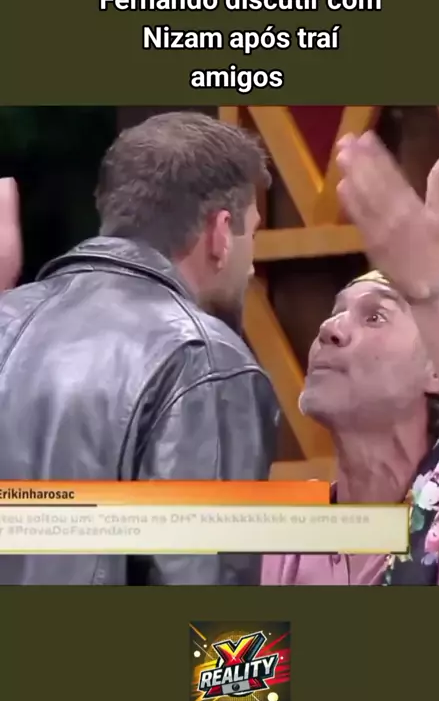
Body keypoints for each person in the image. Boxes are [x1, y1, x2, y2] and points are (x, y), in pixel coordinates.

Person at [0, 112, 279, 586]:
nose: (251, 266)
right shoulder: (204, 359)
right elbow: (203, 592)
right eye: (251, 235)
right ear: (220, 234)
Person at [262, 133, 439, 586]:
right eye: (336, 311)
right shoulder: (284, 530)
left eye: (375, 316)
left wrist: (429, 283)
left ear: (438, 369)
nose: (330, 328)